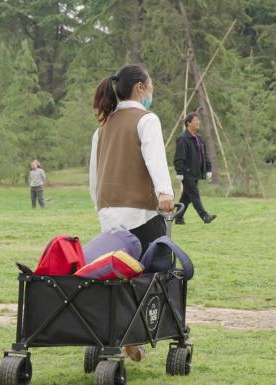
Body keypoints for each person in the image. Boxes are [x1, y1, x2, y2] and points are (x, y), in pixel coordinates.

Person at [89, 63, 174, 362]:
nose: (151, 91)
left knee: (116, 276)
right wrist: (165, 193)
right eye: (150, 85)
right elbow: (155, 159)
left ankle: (113, 331)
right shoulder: (146, 119)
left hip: (109, 214)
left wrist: (102, 206)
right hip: (140, 214)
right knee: (159, 268)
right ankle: (137, 332)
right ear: (140, 88)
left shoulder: (103, 126)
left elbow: (94, 175)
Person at [173, 112, 217, 224]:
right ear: (188, 123)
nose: (198, 122)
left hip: (196, 172)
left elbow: (204, 155)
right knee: (194, 194)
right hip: (187, 173)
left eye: (198, 120)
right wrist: (179, 172)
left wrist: (208, 168)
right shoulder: (182, 139)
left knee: (186, 197)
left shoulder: (199, 139)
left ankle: (178, 218)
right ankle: (205, 216)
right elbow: (179, 157)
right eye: (195, 120)